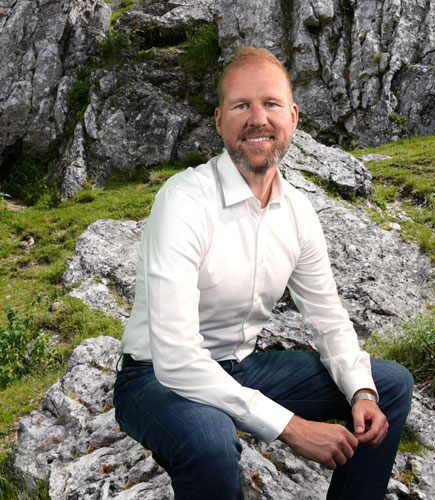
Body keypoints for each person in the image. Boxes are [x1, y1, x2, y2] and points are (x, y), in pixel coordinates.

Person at [113, 47, 413, 499]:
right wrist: (290, 427)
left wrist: (361, 394)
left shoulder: (298, 212)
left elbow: (329, 319)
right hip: (154, 377)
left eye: (271, 104)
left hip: (243, 366)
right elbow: (175, 359)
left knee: (387, 386)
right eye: (241, 105)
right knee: (212, 444)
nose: (258, 119)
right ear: (219, 120)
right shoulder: (182, 202)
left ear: (292, 117)